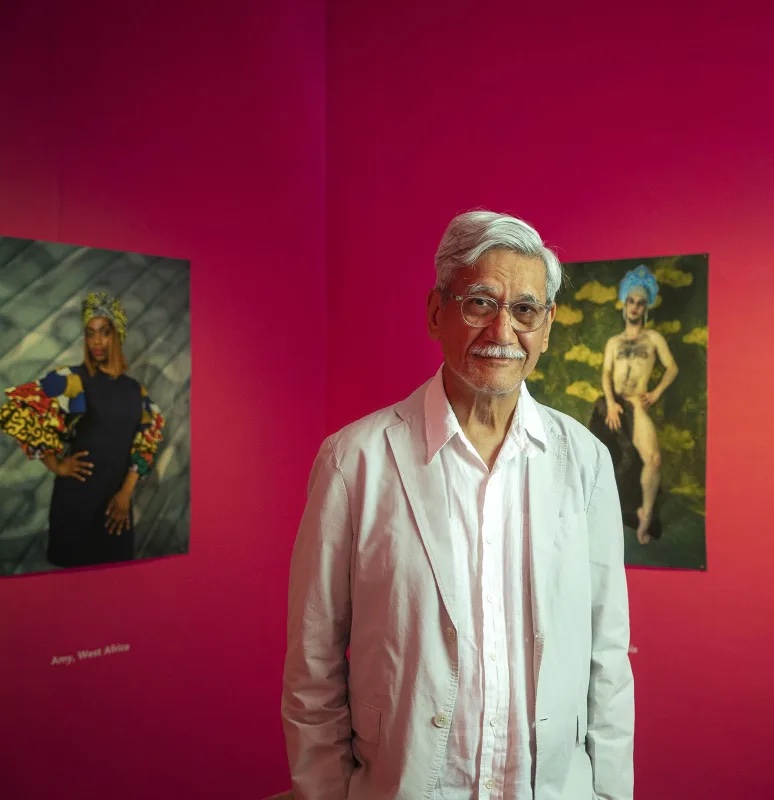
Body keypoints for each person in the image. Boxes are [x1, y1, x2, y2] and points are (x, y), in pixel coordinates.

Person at [281, 210, 635, 800]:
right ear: (434, 312)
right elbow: (313, 668)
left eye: (525, 310)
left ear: (545, 329)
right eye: (479, 303)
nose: (502, 331)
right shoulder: (354, 461)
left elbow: (608, 657)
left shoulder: (587, 462)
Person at [0, 291, 166, 568]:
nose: (97, 341)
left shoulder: (135, 390)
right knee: (72, 592)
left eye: (104, 332)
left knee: (114, 586)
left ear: (117, 334)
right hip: (75, 501)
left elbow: (144, 444)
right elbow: (22, 411)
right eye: (90, 333)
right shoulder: (74, 379)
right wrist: (57, 465)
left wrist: (126, 493)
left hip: (116, 506)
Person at [588, 265, 678, 545]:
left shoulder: (653, 339)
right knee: (599, 463)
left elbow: (672, 367)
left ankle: (645, 515)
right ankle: (596, 518)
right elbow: (605, 374)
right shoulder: (613, 342)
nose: (635, 307)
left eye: (640, 302)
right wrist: (612, 404)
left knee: (653, 459)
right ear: (625, 304)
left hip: (637, 405)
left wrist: (656, 392)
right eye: (631, 301)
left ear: (645, 306)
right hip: (612, 405)